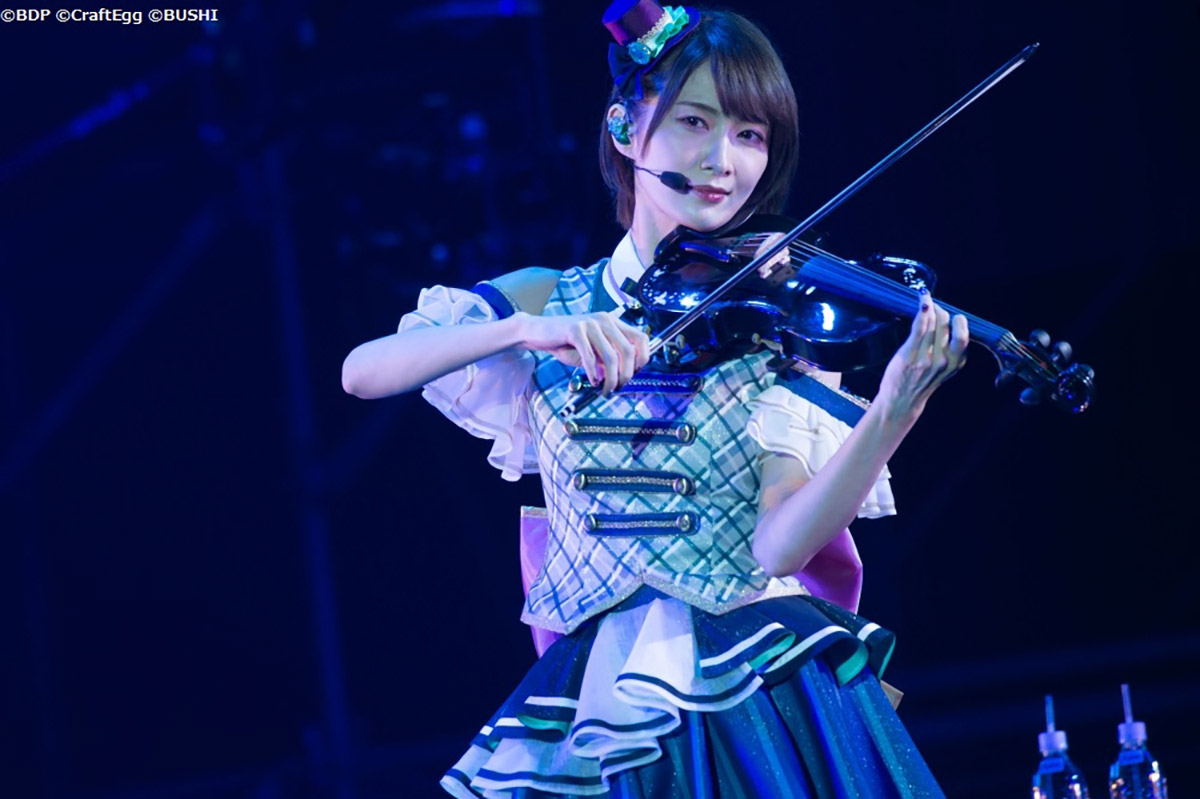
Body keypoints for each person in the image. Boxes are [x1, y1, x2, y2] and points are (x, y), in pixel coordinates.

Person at [342, 2, 967, 796]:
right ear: (623, 128)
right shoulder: (551, 298)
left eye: (750, 135)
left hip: (758, 677)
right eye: (695, 122)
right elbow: (363, 371)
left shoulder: (777, 321)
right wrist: (527, 330)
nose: (722, 161)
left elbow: (780, 548)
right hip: (596, 682)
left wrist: (891, 414)